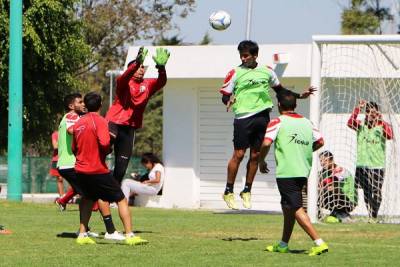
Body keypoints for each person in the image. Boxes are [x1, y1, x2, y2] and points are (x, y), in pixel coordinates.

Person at [220, 40, 316, 209]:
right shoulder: (234, 73)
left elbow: (281, 91)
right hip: (243, 118)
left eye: (246, 55)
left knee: (256, 155)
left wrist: (301, 96)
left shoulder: (267, 71)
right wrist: (228, 100)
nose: (243, 58)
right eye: (241, 55)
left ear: (255, 55)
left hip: (262, 116)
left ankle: (247, 190)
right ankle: (228, 191)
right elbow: (225, 95)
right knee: (239, 154)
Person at [258, 90, 328, 256]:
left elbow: (267, 142)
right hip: (303, 171)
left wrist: (261, 160)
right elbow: (320, 141)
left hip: (287, 172)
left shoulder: (277, 122)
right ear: (295, 105)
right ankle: (283, 244)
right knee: (287, 206)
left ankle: (319, 242)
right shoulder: (307, 122)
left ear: (279, 105)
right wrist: (304, 151)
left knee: (295, 207)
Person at [73, 92, 147, 245]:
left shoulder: (78, 123)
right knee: (120, 198)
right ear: (100, 105)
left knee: (87, 199)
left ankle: (82, 235)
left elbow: (74, 147)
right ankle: (130, 235)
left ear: (85, 105)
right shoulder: (100, 121)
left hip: (80, 170)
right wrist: (106, 151)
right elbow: (106, 143)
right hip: (97, 170)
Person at [55, 93, 123, 240]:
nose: (83, 104)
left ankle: (83, 231)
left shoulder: (77, 117)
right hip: (71, 163)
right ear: (71, 106)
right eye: (80, 102)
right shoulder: (72, 116)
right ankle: (110, 231)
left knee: (88, 197)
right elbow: (71, 130)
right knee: (98, 194)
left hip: (71, 164)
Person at [106, 47, 170, 184]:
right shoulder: (123, 82)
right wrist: (136, 63)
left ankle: (109, 198)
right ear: (131, 69)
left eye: (142, 67)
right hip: (114, 123)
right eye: (138, 66)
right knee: (100, 155)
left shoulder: (148, 84)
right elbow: (124, 77)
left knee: (121, 169)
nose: (141, 69)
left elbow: (162, 82)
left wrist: (162, 68)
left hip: (130, 128)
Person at [347, 100, 393, 222]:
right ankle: (370, 215)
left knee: (376, 192)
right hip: (362, 165)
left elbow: (389, 136)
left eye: (373, 112)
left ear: (377, 112)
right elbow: (350, 123)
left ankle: (374, 215)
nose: (370, 114)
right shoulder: (361, 125)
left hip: (377, 166)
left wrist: (380, 120)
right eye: (368, 111)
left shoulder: (382, 125)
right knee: (366, 192)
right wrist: (358, 108)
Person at [318, 151, 357, 223]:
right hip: (333, 198)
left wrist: (321, 188)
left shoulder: (340, 170)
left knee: (331, 190)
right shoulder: (322, 173)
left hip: (348, 201)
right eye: (321, 161)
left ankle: (343, 214)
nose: (322, 163)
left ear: (332, 160)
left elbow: (334, 187)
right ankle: (337, 213)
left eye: (325, 160)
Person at [49, 130, 64, 196]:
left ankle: (71, 197)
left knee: (72, 179)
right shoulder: (55, 134)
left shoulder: (70, 132)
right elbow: (55, 146)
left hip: (68, 159)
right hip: (57, 159)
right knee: (60, 179)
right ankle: (62, 198)